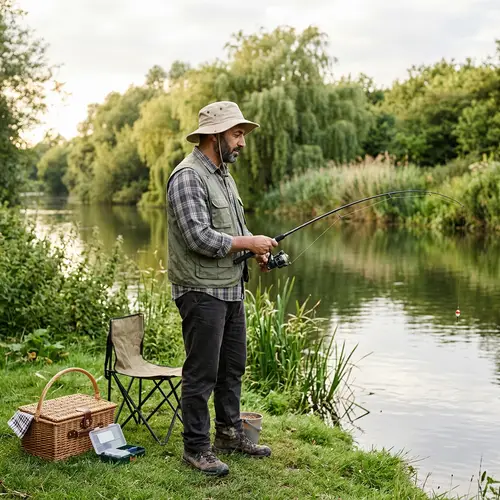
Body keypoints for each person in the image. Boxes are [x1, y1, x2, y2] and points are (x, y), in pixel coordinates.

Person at [166, 101, 278, 476]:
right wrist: (248, 244)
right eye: (237, 133)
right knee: (202, 373)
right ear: (214, 135)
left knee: (232, 367)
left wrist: (254, 250)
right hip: (200, 291)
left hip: (230, 288)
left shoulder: (223, 176)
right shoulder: (188, 176)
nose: (242, 142)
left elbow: (235, 228)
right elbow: (199, 237)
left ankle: (230, 435)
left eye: (242, 133)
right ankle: (196, 448)